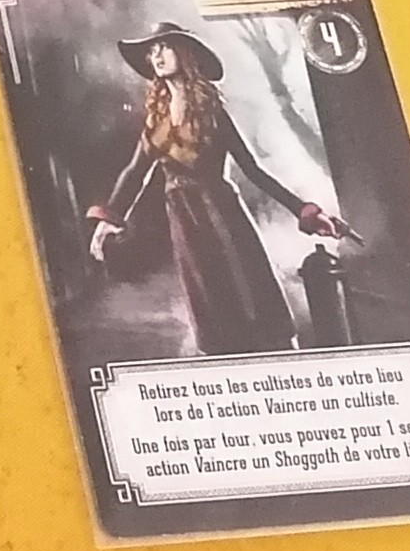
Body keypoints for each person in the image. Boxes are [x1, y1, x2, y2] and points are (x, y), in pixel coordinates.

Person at [83, 24, 349, 356]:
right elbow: (135, 172)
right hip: (185, 221)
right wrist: (107, 222)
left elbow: (252, 170)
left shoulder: (212, 112)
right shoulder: (156, 121)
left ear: (185, 54)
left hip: (223, 214)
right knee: (210, 303)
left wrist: (305, 211)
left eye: (165, 47)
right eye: (152, 51)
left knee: (249, 294)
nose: (157, 56)